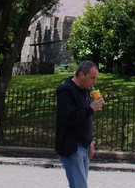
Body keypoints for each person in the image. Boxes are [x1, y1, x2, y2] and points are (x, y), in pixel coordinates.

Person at [55, 60, 105, 188]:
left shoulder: (84, 90)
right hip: (72, 146)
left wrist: (90, 141)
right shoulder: (66, 91)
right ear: (82, 74)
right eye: (92, 78)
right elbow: (69, 119)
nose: (94, 82)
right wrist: (91, 108)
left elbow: (85, 119)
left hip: (84, 146)